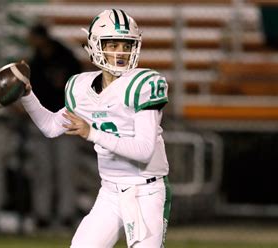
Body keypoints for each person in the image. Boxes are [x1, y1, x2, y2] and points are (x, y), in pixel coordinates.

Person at [19, 9, 172, 247]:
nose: (120, 52)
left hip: (146, 191)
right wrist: (27, 94)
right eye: (112, 44)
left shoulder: (143, 84)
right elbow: (50, 127)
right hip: (110, 192)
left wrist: (91, 132)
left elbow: (144, 150)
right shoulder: (81, 88)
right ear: (95, 46)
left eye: (126, 44)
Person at [26, 23, 83, 228]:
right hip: (42, 121)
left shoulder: (65, 58)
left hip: (64, 118)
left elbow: (78, 86)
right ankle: (42, 213)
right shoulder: (35, 61)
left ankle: (66, 213)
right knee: (43, 170)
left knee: (65, 169)